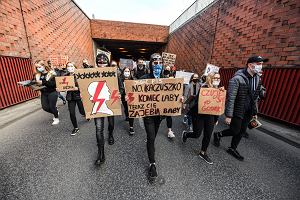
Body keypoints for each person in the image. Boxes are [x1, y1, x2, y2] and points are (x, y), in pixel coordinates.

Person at [136, 53, 183, 180]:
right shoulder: (144, 78)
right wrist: (128, 97)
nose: (157, 65)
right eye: (155, 63)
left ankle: (150, 144)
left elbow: (173, 95)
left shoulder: (167, 79)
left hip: (159, 115)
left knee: (153, 135)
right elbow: (135, 94)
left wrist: (180, 98)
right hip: (148, 115)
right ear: (150, 64)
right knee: (151, 138)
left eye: (160, 63)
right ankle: (152, 164)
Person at [213, 56, 268, 161]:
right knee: (234, 130)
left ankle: (232, 148)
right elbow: (231, 98)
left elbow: (255, 98)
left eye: (261, 64)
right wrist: (228, 115)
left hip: (248, 110)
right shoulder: (237, 78)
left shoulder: (258, 78)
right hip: (238, 109)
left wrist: (255, 111)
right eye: (258, 64)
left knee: (242, 131)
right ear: (250, 65)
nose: (260, 66)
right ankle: (218, 134)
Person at [182, 72, 224, 164]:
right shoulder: (204, 88)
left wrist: (216, 119)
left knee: (208, 135)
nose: (217, 80)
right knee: (197, 134)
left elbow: (218, 106)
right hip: (199, 115)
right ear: (210, 79)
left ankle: (203, 152)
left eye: (218, 78)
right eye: (215, 78)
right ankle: (186, 134)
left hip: (211, 116)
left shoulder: (219, 90)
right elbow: (197, 102)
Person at [93, 53, 118, 165]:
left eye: (104, 62)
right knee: (99, 129)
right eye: (99, 62)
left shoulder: (114, 74)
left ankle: (111, 134)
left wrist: (120, 94)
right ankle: (101, 153)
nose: (102, 64)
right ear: (96, 63)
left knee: (111, 124)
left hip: (110, 103)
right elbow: (84, 87)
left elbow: (120, 87)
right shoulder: (91, 74)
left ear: (107, 63)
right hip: (97, 105)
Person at [34, 60, 59, 125]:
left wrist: (43, 82)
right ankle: (55, 111)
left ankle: (56, 118)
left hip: (52, 92)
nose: (38, 69)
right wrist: (28, 84)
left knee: (52, 106)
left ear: (43, 65)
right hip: (44, 93)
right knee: (45, 108)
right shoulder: (38, 75)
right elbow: (34, 83)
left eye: (39, 66)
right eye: (37, 67)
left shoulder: (51, 73)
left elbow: (53, 84)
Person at [63, 62, 86, 136]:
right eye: (68, 66)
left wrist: (78, 88)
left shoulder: (79, 75)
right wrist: (59, 88)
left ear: (75, 67)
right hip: (70, 97)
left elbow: (84, 86)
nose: (70, 67)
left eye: (71, 66)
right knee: (71, 113)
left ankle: (85, 115)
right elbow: (62, 85)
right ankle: (76, 128)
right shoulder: (65, 76)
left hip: (78, 96)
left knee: (81, 111)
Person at [119, 67, 135, 135]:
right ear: (123, 72)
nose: (127, 72)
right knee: (126, 109)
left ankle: (131, 127)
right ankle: (127, 116)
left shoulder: (133, 79)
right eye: (125, 71)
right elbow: (120, 88)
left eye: (128, 71)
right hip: (123, 97)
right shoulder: (120, 79)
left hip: (131, 97)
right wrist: (121, 94)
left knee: (131, 111)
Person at [163, 65, 175, 139]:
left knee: (169, 116)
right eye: (166, 68)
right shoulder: (160, 76)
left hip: (168, 100)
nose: (167, 69)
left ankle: (169, 131)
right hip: (160, 101)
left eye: (168, 68)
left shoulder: (172, 77)